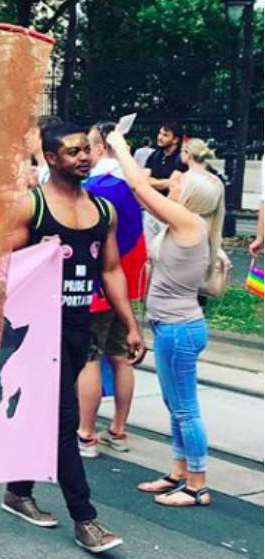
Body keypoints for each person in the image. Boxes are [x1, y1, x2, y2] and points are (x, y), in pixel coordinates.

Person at [1, 121, 145, 554]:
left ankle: (16, 491)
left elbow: (112, 270)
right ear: (50, 158)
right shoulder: (30, 207)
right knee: (64, 419)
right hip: (36, 331)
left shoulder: (104, 211)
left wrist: (132, 324)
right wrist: (32, 254)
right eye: (72, 151)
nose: (83, 156)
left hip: (79, 327)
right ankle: (86, 519)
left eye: (86, 149)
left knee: (47, 415)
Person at [106, 128, 223, 507]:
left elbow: (141, 188)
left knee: (186, 408)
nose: (174, 180)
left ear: (191, 196)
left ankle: (197, 485)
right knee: (177, 406)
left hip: (179, 330)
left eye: (180, 180)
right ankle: (178, 472)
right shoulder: (188, 226)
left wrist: (120, 146)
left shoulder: (190, 224)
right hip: (174, 328)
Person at [76, 122, 148, 457]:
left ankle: (86, 435)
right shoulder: (133, 187)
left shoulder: (92, 189)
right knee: (121, 358)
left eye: (87, 147)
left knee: (90, 359)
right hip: (127, 285)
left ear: (99, 149)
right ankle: (118, 430)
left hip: (96, 288)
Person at [145, 122, 188, 194]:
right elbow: (143, 179)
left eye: (165, 135)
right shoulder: (154, 155)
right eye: (160, 133)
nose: (159, 137)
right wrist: (164, 182)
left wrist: (151, 181)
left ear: (175, 140)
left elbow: (172, 184)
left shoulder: (182, 158)